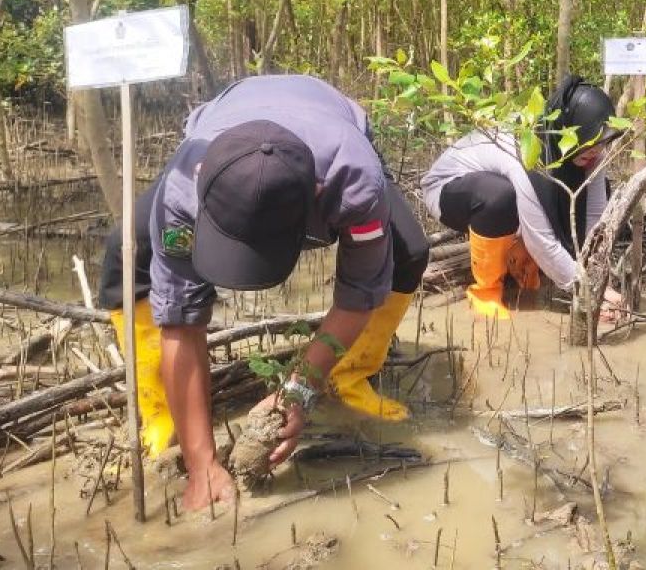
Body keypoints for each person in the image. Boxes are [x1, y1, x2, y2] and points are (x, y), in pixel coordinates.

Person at [98, 75, 429, 511]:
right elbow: (179, 319)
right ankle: (158, 410)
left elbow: (359, 293)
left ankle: (349, 377)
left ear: (314, 202)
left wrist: (298, 390)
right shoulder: (182, 189)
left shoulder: (353, 184)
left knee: (408, 252)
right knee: (125, 256)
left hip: (331, 125)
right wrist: (201, 464)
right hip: (227, 119)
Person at [420, 76, 624, 321]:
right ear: (569, 129)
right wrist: (586, 294)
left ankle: (521, 268)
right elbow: (540, 239)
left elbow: (594, 217)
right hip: (449, 191)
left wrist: (598, 279)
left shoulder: (594, 154)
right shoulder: (527, 151)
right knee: (499, 197)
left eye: (603, 143)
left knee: (587, 189)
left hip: (501, 191)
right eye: (591, 143)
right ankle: (485, 293)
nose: (597, 150)